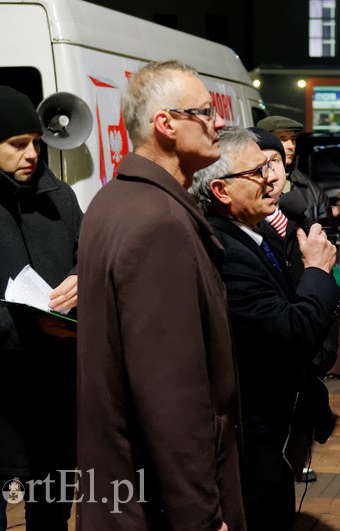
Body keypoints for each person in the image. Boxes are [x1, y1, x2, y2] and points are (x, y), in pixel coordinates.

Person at [76, 61, 245, 531]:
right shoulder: (159, 222)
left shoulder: (114, 200)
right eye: (205, 112)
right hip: (156, 505)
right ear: (166, 124)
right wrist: (204, 517)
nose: (218, 123)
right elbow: (172, 395)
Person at [190, 127, 340, 529]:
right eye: (257, 171)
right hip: (252, 432)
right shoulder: (227, 254)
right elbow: (292, 331)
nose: (272, 178)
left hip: (274, 427)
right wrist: (317, 269)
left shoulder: (256, 235)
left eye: (271, 167)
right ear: (222, 191)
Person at [0, 85, 81, 530]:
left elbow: (89, 260)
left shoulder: (61, 199)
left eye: (36, 143)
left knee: (52, 517)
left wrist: (84, 280)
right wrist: (24, 324)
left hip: (54, 397)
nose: (31, 154)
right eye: (18, 144)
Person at [256, 115, 335, 235]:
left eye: (293, 139)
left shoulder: (312, 190)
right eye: (282, 139)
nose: (291, 146)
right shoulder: (251, 183)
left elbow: (328, 233)